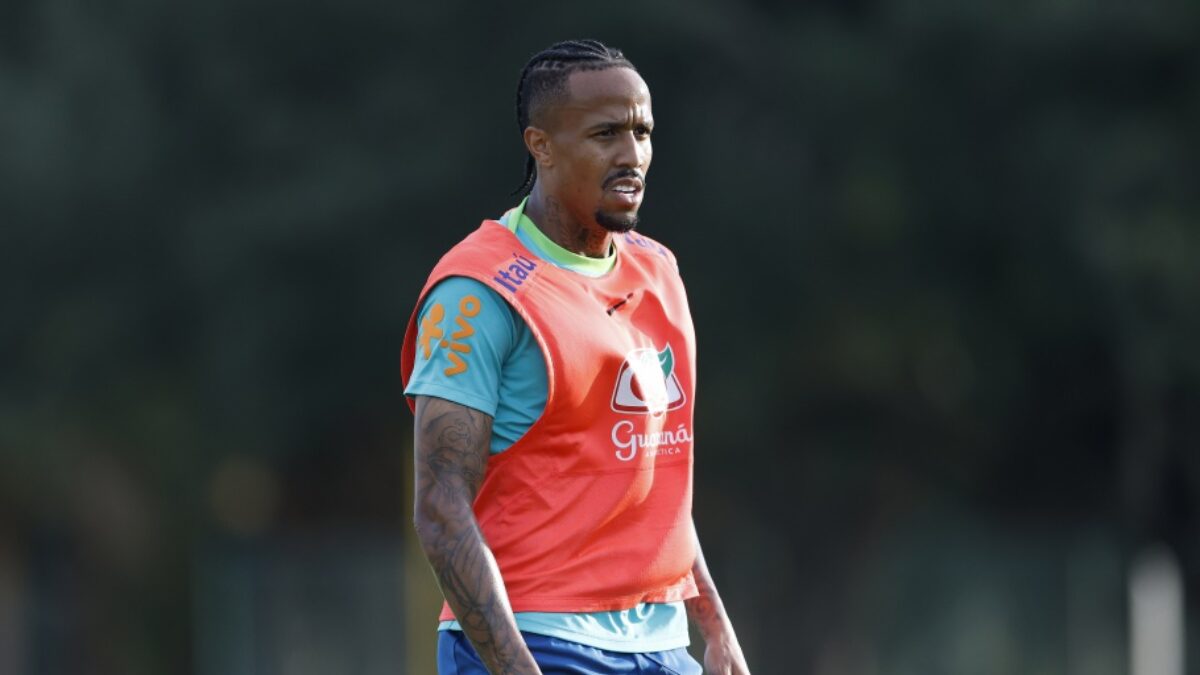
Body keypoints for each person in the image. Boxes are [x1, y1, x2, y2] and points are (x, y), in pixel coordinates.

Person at [401, 39, 750, 675]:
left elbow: (657, 482)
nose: (632, 155)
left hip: (660, 644)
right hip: (536, 639)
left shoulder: (659, 271)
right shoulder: (477, 293)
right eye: (605, 133)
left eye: (642, 131)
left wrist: (716, 627)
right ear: (541, 145)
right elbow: (440, 505)